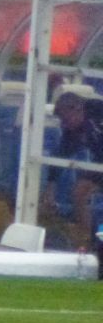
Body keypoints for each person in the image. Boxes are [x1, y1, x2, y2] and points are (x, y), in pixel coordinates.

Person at [39, 91, 103, 250]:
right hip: (99, 163)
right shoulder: (72, 131)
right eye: (61, 121)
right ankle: (86, 238)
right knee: (79, 192)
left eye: (66, 119)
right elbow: (60, 156)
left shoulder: (97, 111)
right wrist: (50, 188)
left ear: (77, 109)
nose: (64, 124)